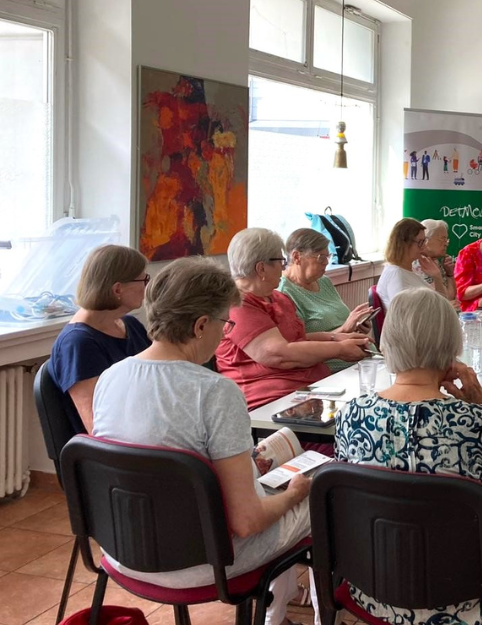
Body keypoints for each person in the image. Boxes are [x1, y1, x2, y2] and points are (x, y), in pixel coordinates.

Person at [92, 257, 318, 625]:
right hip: (201, 563)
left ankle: (284, 599)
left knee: (275, 459)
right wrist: (295, 493)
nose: (225, 333)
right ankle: (292, 606)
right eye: (224, 324)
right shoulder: (215, 392)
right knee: (321, 497)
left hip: (122, 550)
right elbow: (247, 522)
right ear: (200, 326)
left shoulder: (110, 378)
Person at [335, 287, 482, 625]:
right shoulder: (474, 420)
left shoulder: (351, 415)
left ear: (389, 341)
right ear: (450, 346)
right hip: (472, 596)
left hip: (374, 587)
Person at [215, 228, 370, 410]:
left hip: (309, 390)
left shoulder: (278, 298)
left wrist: (337, 337)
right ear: (261, 268)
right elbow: (279, 354)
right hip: (274, 402)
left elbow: (299, 340)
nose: (283, 267)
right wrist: (338, 349)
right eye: (280, 261)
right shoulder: (238, 305)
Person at [48, 245, 152, 433]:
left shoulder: (131, 325)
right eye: (144, 279)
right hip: (114, 452)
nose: (147, 286)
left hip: (144, 432)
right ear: (118, 289)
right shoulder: (78, 343)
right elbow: (98, 426)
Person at [278, 228, 373, 373]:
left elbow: (338, 320)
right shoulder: (284, 293)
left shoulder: (324, 282)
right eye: (321, 258)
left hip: (360, 361)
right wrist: (344, 329)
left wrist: (357, 325)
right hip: (333, 368)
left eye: (328, 257)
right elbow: (298, 345)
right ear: (297, 257)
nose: (326, 263)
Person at [376, 218, 446, 309]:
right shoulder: (396, 274)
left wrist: (437, 277)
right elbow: (403, 316)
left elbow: (443, 304)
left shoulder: (409, 270)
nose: (424, 247)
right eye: (420, 242)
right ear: (404, 244)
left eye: (424, 241)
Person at [412, 219, 458, 304]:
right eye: (442, 239)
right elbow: (443, 301)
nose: (446, 244)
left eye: (446, 240)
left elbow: (451, 296)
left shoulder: (435, 261)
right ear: (426, 240)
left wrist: (450, 274)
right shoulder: (420, 263)